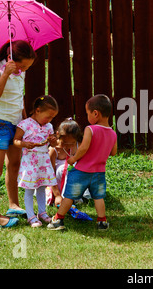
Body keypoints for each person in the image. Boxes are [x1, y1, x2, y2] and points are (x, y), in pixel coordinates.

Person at [0, 40, 36, 228]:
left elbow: (20, 97)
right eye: (23, 65)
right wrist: (6, 74)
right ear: (12, 59)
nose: (25, 69)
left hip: (17, 122)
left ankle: (13, 204)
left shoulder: (21, 72)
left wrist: (26, 121)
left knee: (14, 164)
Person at [48, 94, 117, 231]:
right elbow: (113, 152)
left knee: (69, 196)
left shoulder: (90, 129)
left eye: (88, 113)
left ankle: (58, 219)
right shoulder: (112, 133)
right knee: (98, 197)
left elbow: (84, 148)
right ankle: (102, 222)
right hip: (99, 172)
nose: (87, 117)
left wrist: (73, 159)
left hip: (82, 171)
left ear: (95, 113)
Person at [13, 95, 59, 227]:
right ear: (37, 110)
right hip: (30, 162)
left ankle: (42, 212)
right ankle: (30, 216)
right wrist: (24, 144)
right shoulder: (25, 124)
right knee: (29, 189)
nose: (49, 120)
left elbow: (54, 145)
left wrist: (54, 141)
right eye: (48, 116)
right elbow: (15, 141)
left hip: (43, 161)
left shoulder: (48, 126)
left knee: (42, 187)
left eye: (52, 118)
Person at [47, 118, 82, 206]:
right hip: (58, 181)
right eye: (64, 143)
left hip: (76, 181)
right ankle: (64, 197)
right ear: (58, 135)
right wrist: (57, 195)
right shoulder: (53, 150)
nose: (68, 147)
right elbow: (50, 174)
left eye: (72, 144)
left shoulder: (79, 145)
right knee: (65, 169)